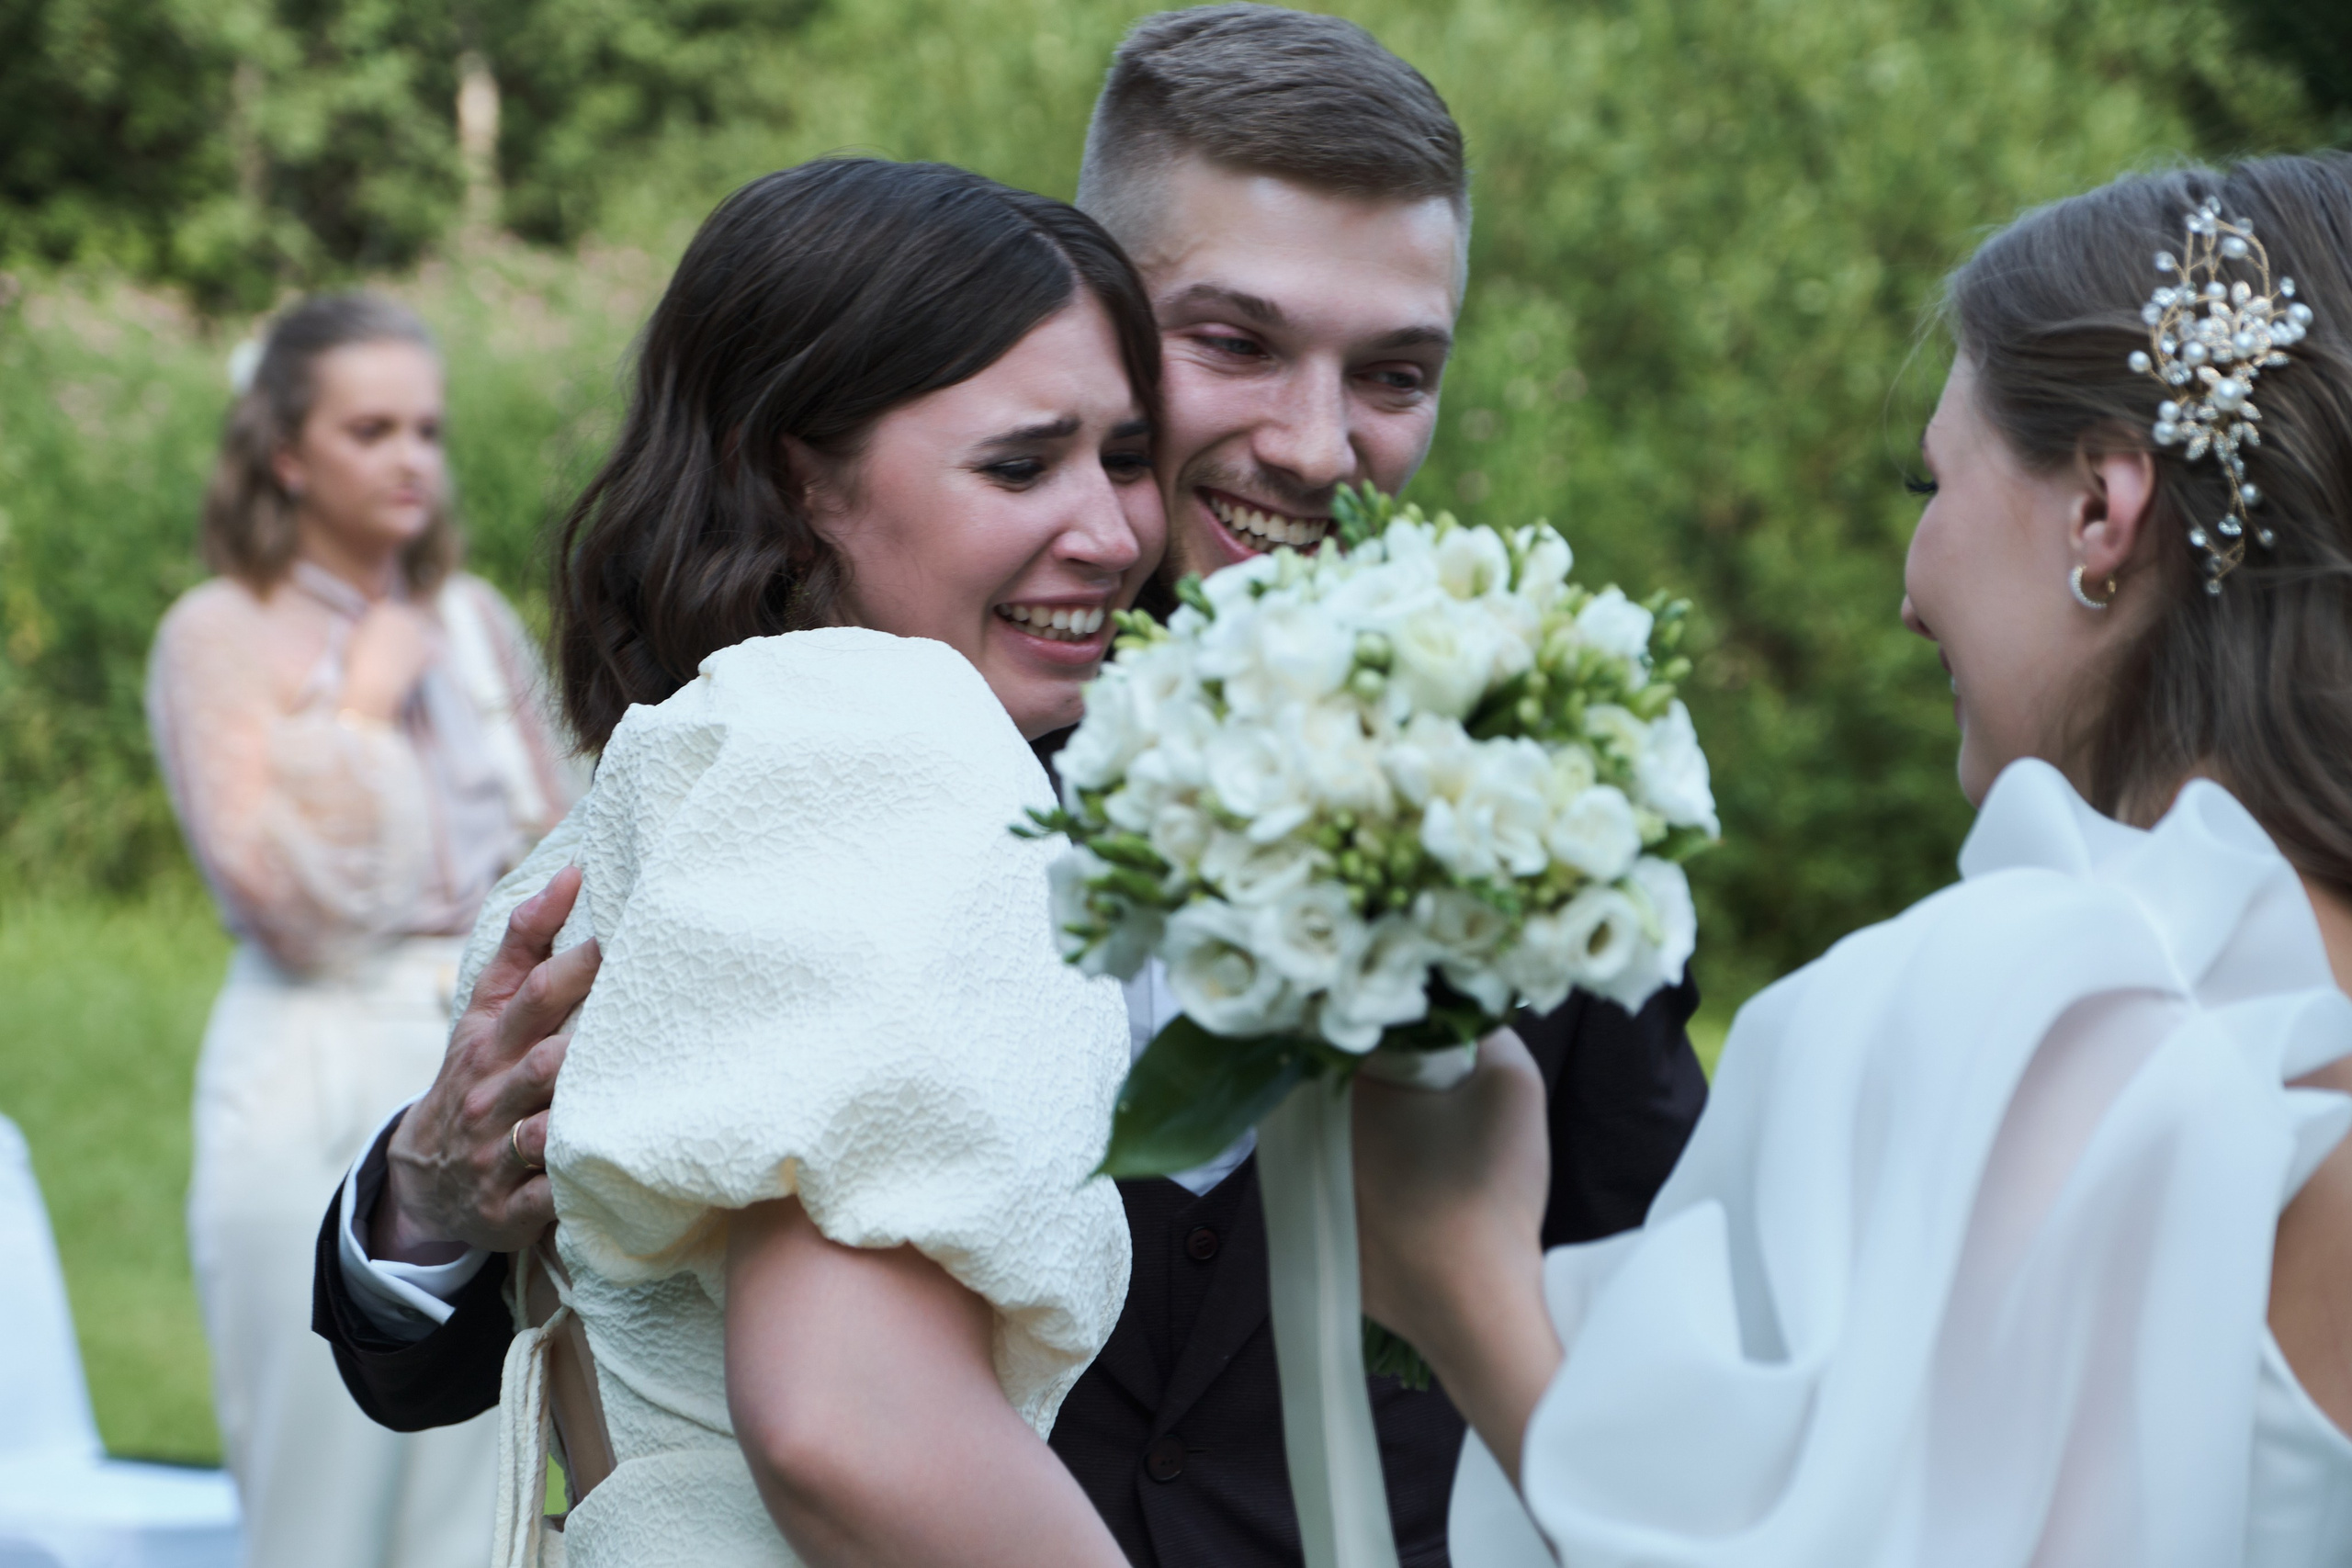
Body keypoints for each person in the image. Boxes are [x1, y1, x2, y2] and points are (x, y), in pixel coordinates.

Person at [311, 8, 1709, 1563]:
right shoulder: (859, 721)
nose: (1319, 447)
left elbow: (1656, 1349)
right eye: (1238, 345)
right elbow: (570, 1341)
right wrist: (423, 1202)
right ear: (1094, 307)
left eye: (1393, 372)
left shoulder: (1519, 798)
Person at [1354, 152, 2352, 1567]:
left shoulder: (2075, 998)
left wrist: (1454, 1271)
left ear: (2102, 509)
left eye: (1930, 483)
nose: (1909, 590)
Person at [467, 158, 1159, 1565]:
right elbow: (849, 1426)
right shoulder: (882, 731)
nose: (1112, 532)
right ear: (801, 477)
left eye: (1128, 458)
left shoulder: (709, 754)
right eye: (1021, 465)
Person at [146, 292, 578, 1568]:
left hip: (480, 1047)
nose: (411, 461)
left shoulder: (475, 619)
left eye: (428, 431)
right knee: (318, 1487)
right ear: (287, 452)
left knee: (476, 1478)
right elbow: (285, 902)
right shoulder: (220, 631)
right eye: (371, 430)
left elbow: (569, 833)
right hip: (315, 1053)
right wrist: (363, 707)